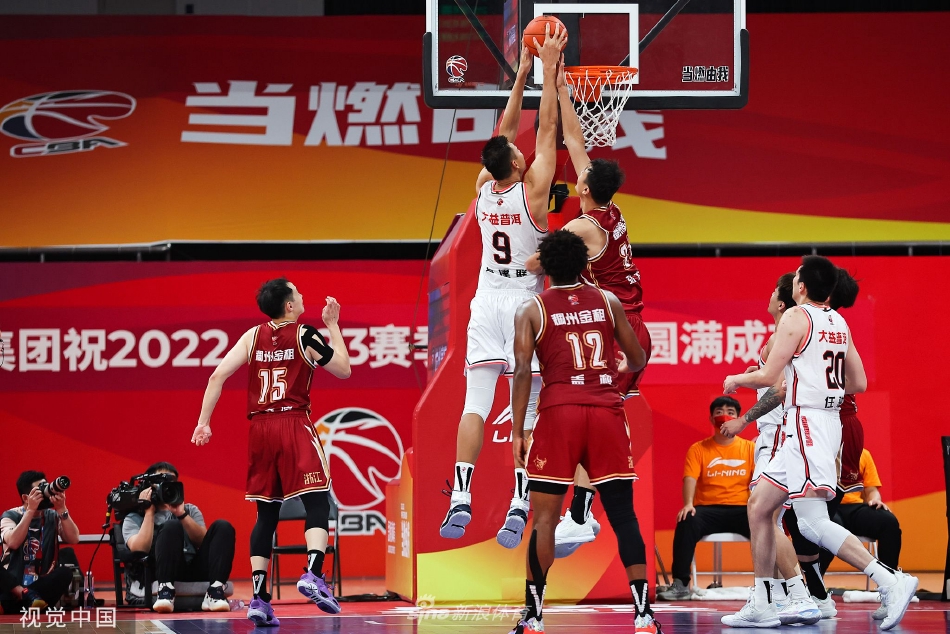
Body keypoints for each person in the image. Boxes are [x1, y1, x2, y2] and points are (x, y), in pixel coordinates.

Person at [721, 255, 918, 630]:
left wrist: (737, 379)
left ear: (801, 286)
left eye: (796, 276)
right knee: (760, 507)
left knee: (811, 523)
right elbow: (858, 383)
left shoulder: (796, 316)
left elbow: (768, 375)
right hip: (821, 423)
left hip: (807, 425)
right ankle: (762, 601)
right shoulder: (839, 322)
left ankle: (889, 580)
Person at [441, 23, 566, 549]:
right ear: (516, 162)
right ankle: (519, 499)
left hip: (485, 297)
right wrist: (549, 72)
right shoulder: (533, 191)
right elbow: (547, 129)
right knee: (528, 406)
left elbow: (504, 131)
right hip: (522, 303)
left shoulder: (482, 188)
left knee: (475, 402)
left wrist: (519, 77)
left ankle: (460, 495)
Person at [525, 62, 653, 558]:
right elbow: (577, 144)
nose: (578, 173)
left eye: (580, 177)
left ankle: (579, 514)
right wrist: (560, 88)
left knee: (592, 414)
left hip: (619, 328)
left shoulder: (583, 228)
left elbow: (539, 260)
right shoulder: (609, 208)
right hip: (627, 323)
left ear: (583, 189)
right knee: (600, 414)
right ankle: (581, 513)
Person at [509, 230, 654, 634]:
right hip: (606, 411)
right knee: (623, 515)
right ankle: (644, 616)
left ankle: (534, 617)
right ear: (584, 264)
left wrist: (519, 430)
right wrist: (623, 364)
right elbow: (638, 356)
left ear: (545, 267)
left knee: (544, 520)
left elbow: (522, 373)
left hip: (560, 413)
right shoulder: (608, 301)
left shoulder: (532, 308)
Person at [191, 278, 351, 626]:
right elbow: (343, 369)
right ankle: (313, 573)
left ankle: (260, 599)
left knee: (266, 516)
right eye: (298, 292)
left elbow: (216, 376)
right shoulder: (305, 334)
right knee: (318, 502)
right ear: (290, 306)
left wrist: (203, 423)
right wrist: (333, 326)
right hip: (293, 423)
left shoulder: (252, 336)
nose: (303, 295)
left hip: (260, 430)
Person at [722, 273, 830, 624]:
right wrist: (757, 376)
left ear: (782, 303)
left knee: (766, 516)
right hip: (790, 434)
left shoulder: (781, 337)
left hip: (777, 436)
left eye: (773, 292)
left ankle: (798, 594)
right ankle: (787, 596)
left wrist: (743, 419)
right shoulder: (792, 336)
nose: (768, 295)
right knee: (772, 518)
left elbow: (780, 389)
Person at [657, 397, 755, 600]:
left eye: (730, 412)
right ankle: (681, 584)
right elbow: (690, 478)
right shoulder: (699, 449)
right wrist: (688, 504)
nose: (724, 416)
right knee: (686, 519)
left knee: (767, 525)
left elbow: (758, 481)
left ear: (739, 419)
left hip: (742, 509)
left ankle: (773, 583)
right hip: (708, 509)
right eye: (719, 412)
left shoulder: (750, 449)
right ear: (711, 419)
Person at [122, 462, 236, 613]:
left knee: (223, 526)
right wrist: (149, 512)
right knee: (171, 526)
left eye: (171, 482)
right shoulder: (135, 517)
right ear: (149, 486)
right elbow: (139, 549)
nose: (167, 486)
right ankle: (165, 591)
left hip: (191, 567)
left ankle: (215, 591)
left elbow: (203, 542)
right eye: (162, 482)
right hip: (158, 569)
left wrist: (181, 514)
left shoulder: (189, 510)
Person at [822, 448, 902, 621]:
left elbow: (871, 490)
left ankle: (891, 590)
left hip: (854, 508)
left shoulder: (862, 454)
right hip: (825, 505)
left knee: (888, 522)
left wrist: (875, 499)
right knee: (829, 528)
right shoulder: (820, 449)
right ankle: (815, 590)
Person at [0, 471, 80, 613]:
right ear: (26, 497)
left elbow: (74, 539)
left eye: (46, 488)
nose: (45, 495)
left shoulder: (52, 516)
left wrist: (62, 509)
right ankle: (23, 594)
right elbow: (13, 542)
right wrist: (30, 510)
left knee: (65, 573)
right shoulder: (10, 516)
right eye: (40, 491)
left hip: (40, 590)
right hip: (12, 591)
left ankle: (33, 601)